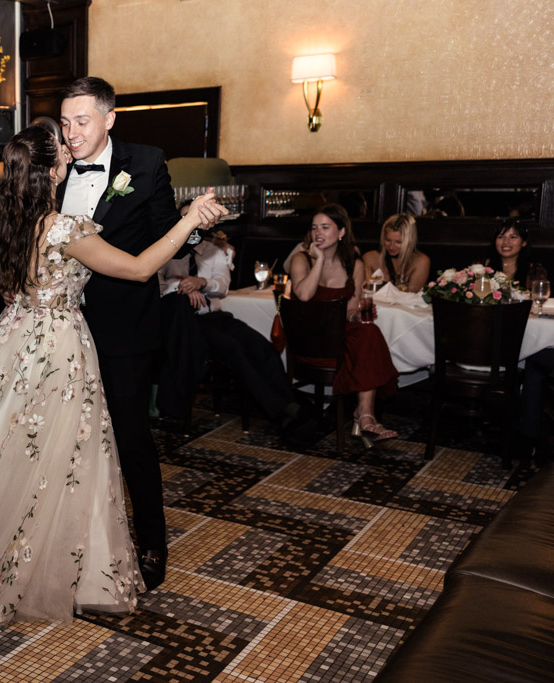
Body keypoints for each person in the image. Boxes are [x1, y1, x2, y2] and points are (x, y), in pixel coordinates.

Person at [0, 125, 224, 628]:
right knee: (58, 454)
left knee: (1, 450)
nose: (70, 147)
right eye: (62, 147)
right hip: (56, 347)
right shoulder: (64, 229)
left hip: (14, 341)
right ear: (51, 170)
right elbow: (137, 269)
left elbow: (12, 286)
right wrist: (191, 219)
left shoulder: (15, 220)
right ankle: (36, 566)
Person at [56, 76, 221, 590]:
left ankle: (152, 540)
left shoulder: (146, 162)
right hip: (60, 326)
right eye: (65, 123)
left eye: (82, 121)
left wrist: (194, 226)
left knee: (130, 437)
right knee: (64, 437)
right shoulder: (53, 165)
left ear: (109, 119)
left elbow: (162, 233)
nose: (72, 133)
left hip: (124, 326)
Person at [155, 204, 314, 442]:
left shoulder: (214, 250)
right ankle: (287, 410)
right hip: (188, 325)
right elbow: (155, 287)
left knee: (262, 347)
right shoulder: (166, 251)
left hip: (216, 317)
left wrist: (202, 282)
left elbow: (223, 287)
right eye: (185, 217)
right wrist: (183, 287)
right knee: (235, 350)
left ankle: (288, 406)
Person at [290, 203, 399, 445]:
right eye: (314, 228)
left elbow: (351, 307)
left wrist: (355, 316)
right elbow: (304, 295)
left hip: (338, 335)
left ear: (341, 232)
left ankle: (365, 414)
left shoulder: (354, 264)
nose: (318, 233)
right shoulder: (301, 259)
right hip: (309, 339)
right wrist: (319, 260)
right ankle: (363, 415)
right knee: (366, 340)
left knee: (369, 331)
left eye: (325, 227)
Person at [361, 213, 431, 292]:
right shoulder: (369, 258)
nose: (391, 247)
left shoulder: (421, 261)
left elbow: (412, 295)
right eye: (388, 240)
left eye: (398, 242)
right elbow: (364, 292)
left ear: (410, 241)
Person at [486, 218, 531, 283]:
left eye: (513, 237)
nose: (506, 242)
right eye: (501, 237)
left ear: (524, 242)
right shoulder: (483, 267)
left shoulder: (533, 271)